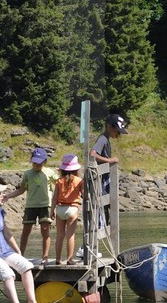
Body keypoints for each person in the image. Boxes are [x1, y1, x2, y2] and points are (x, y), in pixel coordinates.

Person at [9, 147, 54, 262]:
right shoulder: (28, 174)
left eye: (39, 163)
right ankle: (20, 254)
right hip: (31, 206)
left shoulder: (49, 172)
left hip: (45, 205)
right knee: (26, 231)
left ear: (44, 162)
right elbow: (21, 190)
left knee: (45, 231)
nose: (36, 165)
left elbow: (59, 185)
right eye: (34, 163)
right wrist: (8, 196)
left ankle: (45, 257)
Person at [89, 113, 126, 241]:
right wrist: (109, 160)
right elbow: (92, 155)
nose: (119, 134)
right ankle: (88, 246)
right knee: (100, 213)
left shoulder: (106, 139)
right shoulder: (102, 139)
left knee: (105, 212)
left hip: (104, 180)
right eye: (117, 130)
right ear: (109, 126)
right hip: (100, 181)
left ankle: (92, 244)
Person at [52, 154, 85, 265]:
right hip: (72, 208)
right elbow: (84, 195)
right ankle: (70, 259)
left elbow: (54, 198)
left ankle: (58, 259)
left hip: (60, 208)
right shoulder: (79, 181)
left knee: (60, 235)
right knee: (70, 235)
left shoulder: (59, 181)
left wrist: (51, 211)